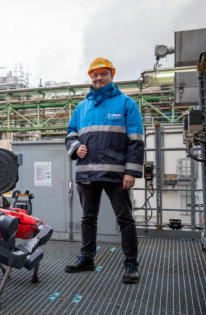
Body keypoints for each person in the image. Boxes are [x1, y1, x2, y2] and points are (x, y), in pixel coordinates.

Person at [64, 57, 144, 284]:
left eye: (103, 74)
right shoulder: (82, 107)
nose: (99, 78)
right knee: (88, 218)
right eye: (95, 74)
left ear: (112, 75)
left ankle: (131, 264)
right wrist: (75, 148)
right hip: (87, 173)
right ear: (91, 77)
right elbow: (70, 134)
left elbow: (136, 140)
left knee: (125, 219)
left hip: (117, 173)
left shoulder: (127, 104)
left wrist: (131, 172)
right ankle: (86, 258)